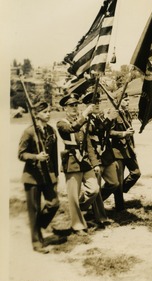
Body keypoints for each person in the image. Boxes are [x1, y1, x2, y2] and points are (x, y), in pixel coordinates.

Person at [18, 101, 66, 254]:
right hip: (32, 176)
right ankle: (36, 242)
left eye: (49, 111)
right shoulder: (29, 132)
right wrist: (36, 157)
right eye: (45, 111)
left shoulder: (51, 131)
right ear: (37, 114)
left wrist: (56, 176)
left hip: (48, 175)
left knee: (54, 203)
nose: (48, 113)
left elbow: (54, 155)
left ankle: (37, 228)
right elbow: (21, 154)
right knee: (34, 209)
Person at [56, 93, 107, 235]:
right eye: (71, 106)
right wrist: (84, 114)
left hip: (84, 162)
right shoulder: (61, 123)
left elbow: (88, 145)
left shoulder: (82, 121)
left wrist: (95, 162)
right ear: (65, 108)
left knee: (94, 189)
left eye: (76, 105)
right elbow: (72, 128)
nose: (74, 108)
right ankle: (77, 226)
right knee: (73, 195)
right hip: (71, 162)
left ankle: (82, 207)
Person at [82, 91, 124, 212]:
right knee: (96, 186)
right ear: (87, 105)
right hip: (95, 157)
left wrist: (108, 119)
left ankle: (95, 204)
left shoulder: (99, 118)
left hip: (106, 157)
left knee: (114, 183)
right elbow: (96, 131)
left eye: (98, 102)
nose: (97, 104)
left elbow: (106, 136)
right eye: (94, 102)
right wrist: (109, 119)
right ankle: (95, 212)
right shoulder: (86, 119)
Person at [110, 93, 141, 201]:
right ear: (119, 101)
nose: (128, 103)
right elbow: (109, 132)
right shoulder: (114, 114)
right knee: (119, 177)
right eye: (125, 100)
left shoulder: (127, 113)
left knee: (136, 173)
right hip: (118, 150)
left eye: (128, 100)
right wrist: (123, 133)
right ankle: (120, 207)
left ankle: (121, 189)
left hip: (129, 149)